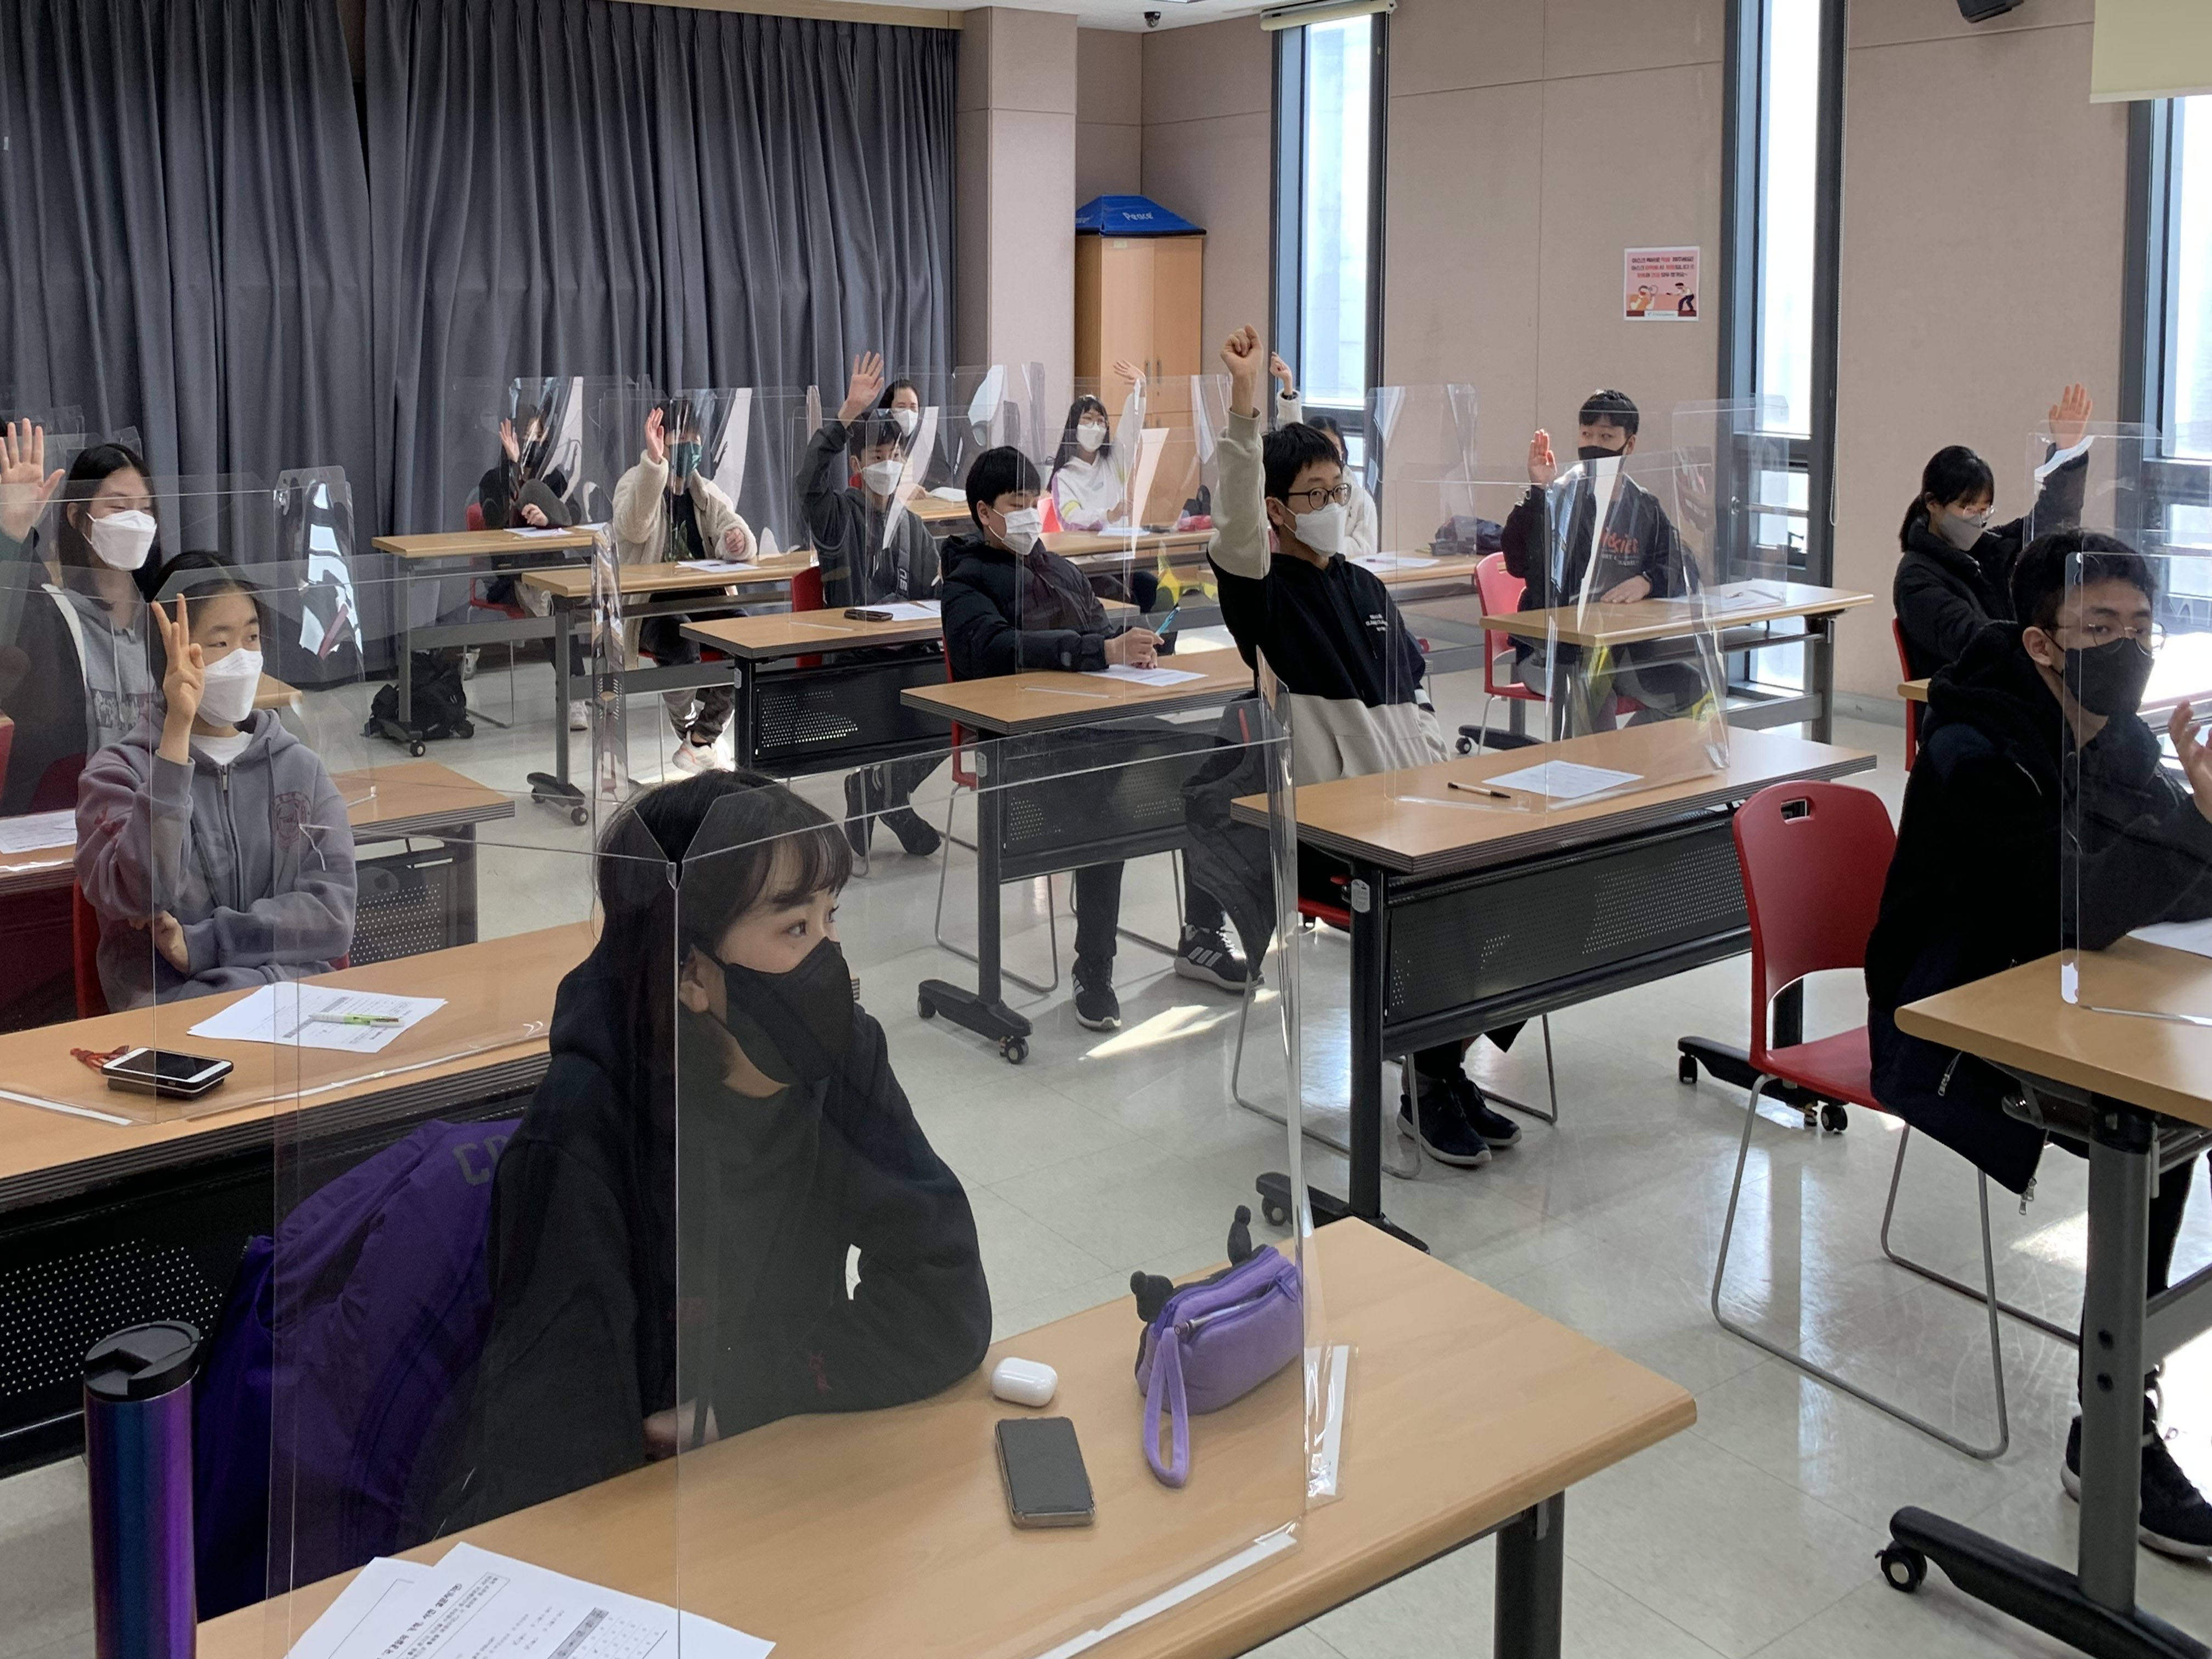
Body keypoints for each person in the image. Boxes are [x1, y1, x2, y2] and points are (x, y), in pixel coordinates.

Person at [441, 770, 990, 1526]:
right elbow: (561, 1455)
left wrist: (743, 1404)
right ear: (692, 973)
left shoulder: (840, 1060)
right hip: (651, 1513)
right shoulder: (582, 1133)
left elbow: (945, 1300)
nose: (831, 956)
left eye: (830, 917)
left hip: (785, 1469)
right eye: (794, 928)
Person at [1866, 529, 2212, 1556]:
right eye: (2099, 626)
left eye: (2140, 626)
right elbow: (2075, 905)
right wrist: (2201, 825)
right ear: (2040, 642)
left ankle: (2123, 1386)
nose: (2127, 645)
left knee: (2172, 1102)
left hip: (2062, 993)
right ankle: (2111, 1425)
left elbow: (2158, 888)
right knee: (2151, 1115)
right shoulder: (1976, 749)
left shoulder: (2118, 737)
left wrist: (2198, 824)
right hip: (1950, 1021)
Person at [1212, 325, 1524, 1167]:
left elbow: (1415, 704)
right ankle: (1430, 1079)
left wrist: (1454, 784)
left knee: (1526, 886)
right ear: (1278, 511)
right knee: (1447, 902)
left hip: (1415, 805)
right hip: (1333, 828)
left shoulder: (1368, 588)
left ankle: (1443, 1062)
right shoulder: (1262, 594)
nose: (1331, 504)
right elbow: (1235, 509)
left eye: (1338, 488)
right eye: (1312, 494)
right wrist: (1246, 404)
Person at [940, 445, 1249, 1029]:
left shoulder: (1061, 570)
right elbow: (996, 651)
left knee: (1214, 762)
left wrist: (1137, 647)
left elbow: (1099, 637)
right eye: (1015, 503)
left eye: (1033, 501)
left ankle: (1202, 935)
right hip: (1029, 746)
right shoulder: (965, 582)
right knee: (1108, 795)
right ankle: (1095, 966)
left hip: (1101, 725)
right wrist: (1099, 650)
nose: (1029, 513)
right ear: (984, 512)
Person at [75, 557, 357, 1009]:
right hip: (179, 1014)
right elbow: (144, 893)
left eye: (251, 638)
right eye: (220, 642)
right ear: (169, 654)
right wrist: (175, 738)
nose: (242, 657)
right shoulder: (117, 774)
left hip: (296, 1008)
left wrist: (207, 943)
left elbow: (333, 916)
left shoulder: (300, 768)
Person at [802, 352, 945, 859]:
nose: (889, 464)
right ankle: (890, 799)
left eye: (896, 455)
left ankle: (878, 791)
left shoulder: (913, 527)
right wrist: (846, 417)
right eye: (878, 456)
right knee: (907, 700)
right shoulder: (839, 515)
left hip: (908, 655)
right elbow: (809, 482)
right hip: (855, 661)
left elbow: (935, 595)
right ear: (858, 466)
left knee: (962, 707)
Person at [1500, 389, 1706, 736]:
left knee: (1692, 690)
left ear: (1630, 444)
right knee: (1594, 688)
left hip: (1623, 652)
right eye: (1587, 434)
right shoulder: (1560, 495)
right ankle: (1596, 768)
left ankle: (1629, 759)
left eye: (1607, 437)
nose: (1594, 444)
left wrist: (1648, 581)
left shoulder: (1644, 506)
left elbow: (1683, 564)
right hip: (1555, 653)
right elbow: (1520, 562)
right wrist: (1539, 493)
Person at [0, 426, 165, 812]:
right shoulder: (51, 611)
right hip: (71, 816)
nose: (136, 520)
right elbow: (4, 637)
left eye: (145, 509)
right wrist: (11, 534)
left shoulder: (165, 615)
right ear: (77, 516)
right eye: (118, 507)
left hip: (155, 813)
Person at [1893, 383, 2094, 679]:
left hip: (2013, 681)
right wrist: (2043, 644)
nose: (1977, 520)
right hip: (1967, 696)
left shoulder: (1990, 549)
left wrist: (2067, 455)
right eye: (1967, 509)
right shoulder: (1916, 578)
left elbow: (2050, 523)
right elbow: (1970, 638)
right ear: (1933, 503)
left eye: (1984, 510)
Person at [612, 398, 757, 775]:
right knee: (681, 640)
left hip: (704, 598)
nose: (689, 447)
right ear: (660, 441)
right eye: (679, 440)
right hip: (651, 605)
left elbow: (734, 528)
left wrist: (737, 541)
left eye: (694, 440)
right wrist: (654, 465)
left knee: (745, 634)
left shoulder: (704, 491)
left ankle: (702, 739)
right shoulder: (634, 482)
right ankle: (690, 730)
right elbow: (633, 528)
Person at [1267, 354, 1379, 561]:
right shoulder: (1298, 491)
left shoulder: (1360, 499)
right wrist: (1288, 388)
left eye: (1333, 448)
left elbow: (1364, 549)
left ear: (1343, 450)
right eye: (1317, 494)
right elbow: (1291, 448)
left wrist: (1327, 544)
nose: (1327, 457)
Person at [1047, 362, 1147, 534]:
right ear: (1073, 426)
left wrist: (1141, 390)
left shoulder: (1114, 463)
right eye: (1088, 418)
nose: (1095, 426)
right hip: (1085, 550)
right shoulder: (1064, 477)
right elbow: (1071, 518)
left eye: (1101, 421)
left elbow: (1130, 431)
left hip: (1118, 548)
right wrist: (1108, 516)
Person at [477, 404, 577, 532]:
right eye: (527, 435)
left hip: (547, 545)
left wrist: (548, 520)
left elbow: (574, 513)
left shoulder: (553, 479)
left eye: (538, 436)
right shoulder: (492, 480)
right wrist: (512, 465)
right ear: (516, 436)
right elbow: (497, 520)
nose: (533, 441)